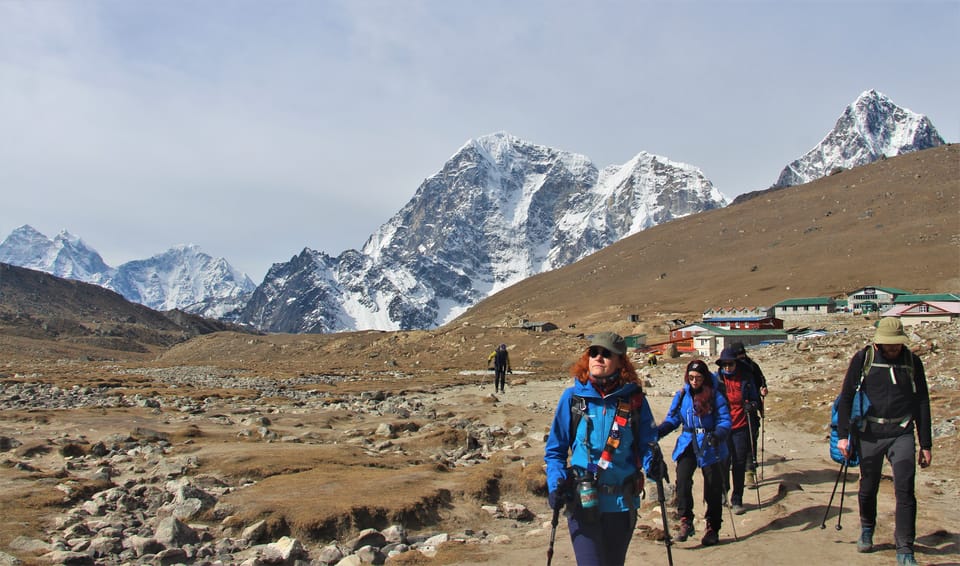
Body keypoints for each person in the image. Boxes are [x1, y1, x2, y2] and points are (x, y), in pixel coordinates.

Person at [544, 331, 659, 565]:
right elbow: (555, 451)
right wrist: (555, 483)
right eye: (593, 352)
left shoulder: (634, 400)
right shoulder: (573, 399)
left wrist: (653, 463)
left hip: (622, 503)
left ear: (620, 361)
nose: (598, 357)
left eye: (606, 354)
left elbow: (647, 443)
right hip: (582, 501)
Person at [836, 318, 932, 566]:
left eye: (896, 344)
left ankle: (905, 548)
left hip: (901, 431)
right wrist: (844, 437)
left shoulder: (912, 362)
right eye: (889, 345)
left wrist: (926, 444)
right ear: (878, 343)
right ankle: (867, 528)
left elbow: (922, 401)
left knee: (905, 488)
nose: (893, 349)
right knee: (868, 487)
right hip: (870, 433)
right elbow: (846, 398)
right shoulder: (863, 359)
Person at [657, 360, 731, 546]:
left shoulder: (715, 396)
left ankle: (712, 527)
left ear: (705, 377)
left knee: (713, 486)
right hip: (688, 442)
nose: (694, 381)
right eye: (691, 377)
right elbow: (673, 418)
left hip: (710, 443)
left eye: (698, 377)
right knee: (682, 480)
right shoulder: (683, 395)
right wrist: (660, 431)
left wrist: (719, 434)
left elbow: (724, 419)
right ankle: (685, 520)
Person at [715, 347, 760, 515]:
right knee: (723, 462)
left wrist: (752, 405)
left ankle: (737, 499)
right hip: (722, 427)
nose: (727, 367)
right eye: (724, 364)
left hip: (741, 426)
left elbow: (755, 399)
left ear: (736, 364)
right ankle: (722, 491)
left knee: (739, 463)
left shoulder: (746, 379)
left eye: (730, 364)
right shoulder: (716, 380)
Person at [730, 341, 767, 484]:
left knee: (750, 438)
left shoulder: (752, 366)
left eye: (742, 354)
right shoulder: (726, 370)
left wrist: (763, 390)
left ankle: (750, 471)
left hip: (750, 408)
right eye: (738, 355)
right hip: (732, 413)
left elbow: (761, 381)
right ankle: (738, 464)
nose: (741, 358)